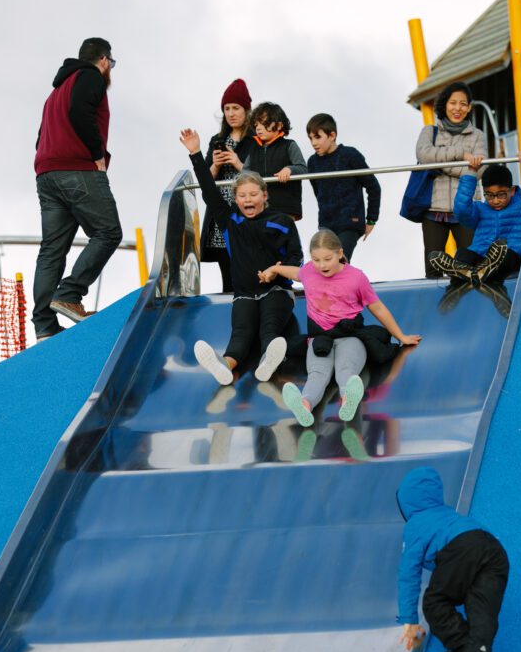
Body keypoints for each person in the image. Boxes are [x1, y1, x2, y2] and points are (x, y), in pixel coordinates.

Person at [258, 230, 421, 427]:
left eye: (327, 259)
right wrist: (273, 270)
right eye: (316, 259)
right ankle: (304, 404)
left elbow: (377, 308)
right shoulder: (309, 271)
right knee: (318, 373)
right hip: (319, 339)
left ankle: (347, 401)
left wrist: (401, 336)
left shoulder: (356, 277)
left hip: (350, 337)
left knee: (346, 368)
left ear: (340, 253)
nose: (322, 265)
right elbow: (293, 272)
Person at [179, 129, 303, 384]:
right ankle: (224, 366)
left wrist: (276, 271)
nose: (248, 200)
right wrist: (195, 154)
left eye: (254, 195)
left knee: (270, 326)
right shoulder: (230, 220)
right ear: (235, 199)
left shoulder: (281, 222)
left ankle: (270, 358)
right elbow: (209, 192)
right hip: (244, 293)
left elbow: (296, 257)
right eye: (242, 196)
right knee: (241, 334)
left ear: (264, 196)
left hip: (277, 291)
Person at [32, 37, 123, 340]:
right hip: (77, 170)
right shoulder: (90, 76)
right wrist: (97, 153)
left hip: (47, 174)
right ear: (104, 60)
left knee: (51, 251)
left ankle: (45, 326)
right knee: (108, 232)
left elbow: (41, 135)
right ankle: (70, 294)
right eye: (111, 63)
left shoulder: (54, 92)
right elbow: (80, 112)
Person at [396, 467, 509, 652]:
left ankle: (465, 649)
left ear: (406, 501)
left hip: (461, 547)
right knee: (481, 613)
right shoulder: (448, 514)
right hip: (494, 550)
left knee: (435, 602)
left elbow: (408, 574)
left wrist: (409, 619)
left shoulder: (415, 524)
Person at [415, 81, 488, 278]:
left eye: (463, 104)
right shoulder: (430, 131)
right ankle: (438, 308)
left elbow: (479, 171)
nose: (458, 108)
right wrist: (461, 154)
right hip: (433, 210)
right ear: (444, 104)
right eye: (453, 102)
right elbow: (423, 155)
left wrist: (440, 164)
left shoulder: (478, 135)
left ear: (470, 107)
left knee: (471, 263)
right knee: (433, 268)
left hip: (465, 209)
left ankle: (469, 305)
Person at [428, 153, 521, 285]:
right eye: (489, 195)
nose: (495, 200)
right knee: (463, 254)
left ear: (511, 191)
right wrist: (471, 172)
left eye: (501, 195)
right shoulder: (479, 209)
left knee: (506, 253)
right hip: (481, 260)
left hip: (509, 259)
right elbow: (460, 210)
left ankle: (475, 271)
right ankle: (467, 271)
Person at [202, 79, 257, 293]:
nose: (231, 113)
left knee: (249, 265)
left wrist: (237, 163)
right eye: (226, 108)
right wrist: (215, 164)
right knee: (227, 270)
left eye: (236, 108)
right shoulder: (217, 139)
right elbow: (205, 177)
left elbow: (260, 175)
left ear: (246, 110)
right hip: (219, 212)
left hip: (246, 209)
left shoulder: (256, 139)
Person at [305, 113, 381, 261]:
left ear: (332, 135)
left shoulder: (350, 155)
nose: (313, 142)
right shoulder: (312, 162)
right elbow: (318, 192)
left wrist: (371, 219)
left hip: (350, 223)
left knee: (339, 262)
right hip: (326, 224)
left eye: (317, 137)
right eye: (310, 138)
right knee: (322, 263)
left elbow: (374, 187)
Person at [243, 102, 307, 221]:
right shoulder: (253, 149)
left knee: (282, 238)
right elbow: (244, 173)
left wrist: (289, 169)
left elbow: (303, 168)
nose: (258, 127)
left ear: (278, 126)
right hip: (260, 209)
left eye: (264, 123)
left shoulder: (289, 145)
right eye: (256, 124)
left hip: (285, 209)